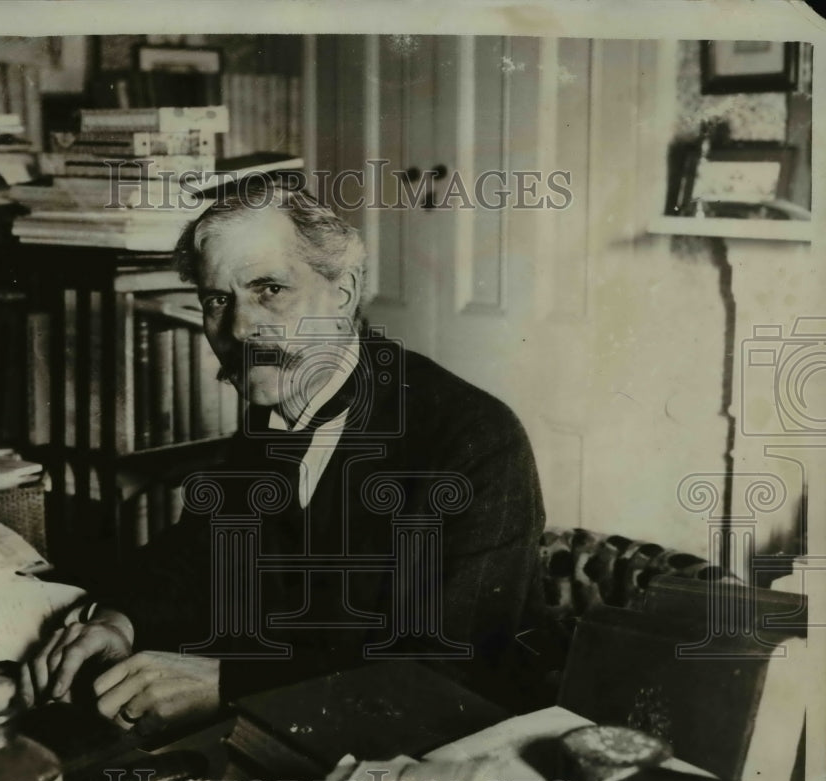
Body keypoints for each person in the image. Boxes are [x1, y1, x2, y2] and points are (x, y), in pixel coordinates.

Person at [28, 185, 547, 733]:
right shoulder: (276, 401)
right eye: (217, 300)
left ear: (343, 292)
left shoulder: (477, 440)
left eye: (269, 289)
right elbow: (200, 554)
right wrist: (118, 620)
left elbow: (448, 674)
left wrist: (229, 686)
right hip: (290, 735)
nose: (240, 330)